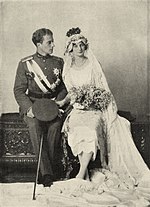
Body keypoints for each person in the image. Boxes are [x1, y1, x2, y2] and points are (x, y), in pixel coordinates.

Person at [52, 28, 150, 206]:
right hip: (77, 109)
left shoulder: (92, 64)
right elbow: (71, 92)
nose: (80, 49)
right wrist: (63, 103)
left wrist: (93, 101)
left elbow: (103, 89)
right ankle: (84, 172)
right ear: (69, 49)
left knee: (90, 130)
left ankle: (81, 173)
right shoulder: (67, 67)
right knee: (76, 129)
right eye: (75, 46)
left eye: (82, 45)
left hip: (94, 109)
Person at [14, 28, 67, 187]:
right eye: (49, 42)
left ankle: (45, 171)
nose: (53, 45)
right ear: (38, 44)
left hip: (52, 105)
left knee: (55, 126)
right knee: (35, 125)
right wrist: (28, 108)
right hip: (34, 106)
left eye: (52, 41)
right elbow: (19, 90)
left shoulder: (59, 62)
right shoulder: (25, 63)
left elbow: (64, 87)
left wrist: (58, 103)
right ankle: (48, 174)